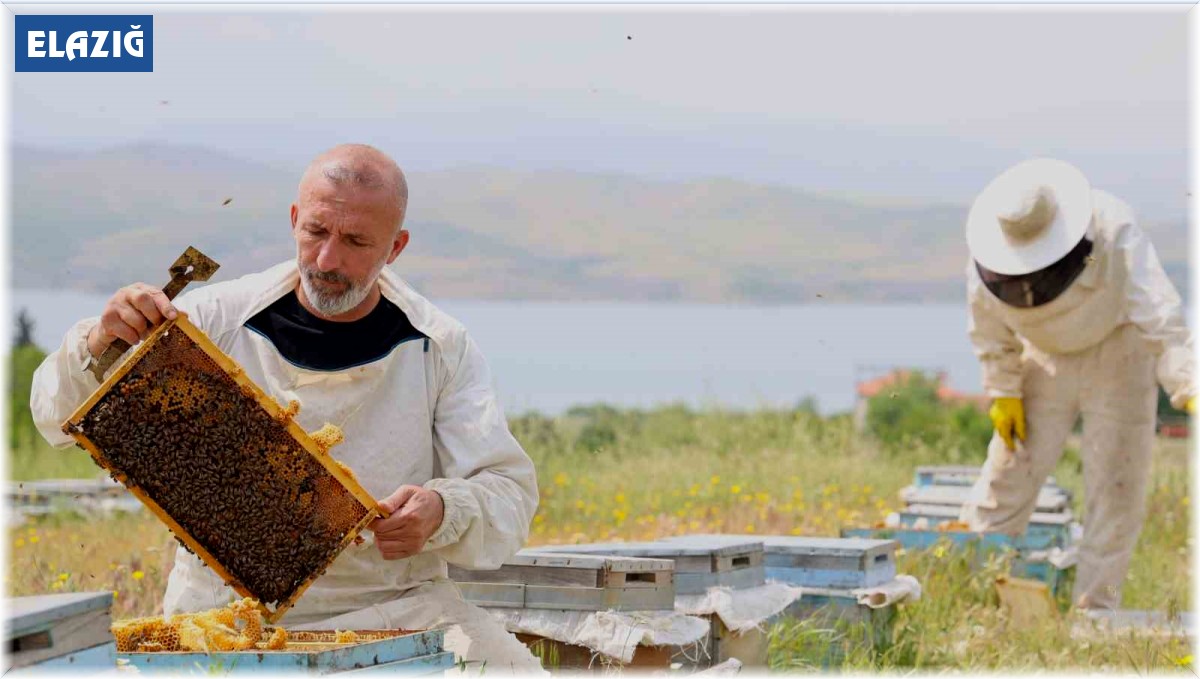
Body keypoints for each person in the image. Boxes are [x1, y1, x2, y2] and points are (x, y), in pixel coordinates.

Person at [30, 144, 543, 670]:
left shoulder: (440, 345)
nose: (328, 260)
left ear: (395, 248)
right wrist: (98, 341)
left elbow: (509, 497)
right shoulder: (209, 319)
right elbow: (54, 414)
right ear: (295, 219)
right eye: (317, 232)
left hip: (393, 609)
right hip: (226, 616)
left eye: (356, 241)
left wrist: (443, 511)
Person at [959, 157, 1194, 611]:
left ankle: (1096, 614)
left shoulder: (1114, 227)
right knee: (1007, 476)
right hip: (1044, 359)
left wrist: (1188, 382)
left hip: (1119, 354)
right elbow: (989, 330)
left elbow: (1159, 312)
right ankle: (971, 594)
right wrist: (1003, 390)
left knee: (1116, 489)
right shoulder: (986, 260)